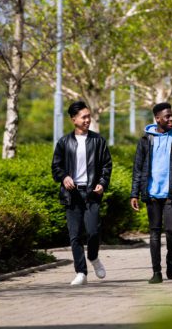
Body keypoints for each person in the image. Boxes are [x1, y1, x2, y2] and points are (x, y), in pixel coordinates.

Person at [131, 102, 172, 284]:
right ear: (157, 119)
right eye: (167, 116)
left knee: (171, 230)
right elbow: (138, 168)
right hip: (151, 193)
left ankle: (170, 259)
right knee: (154, 232)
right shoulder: (145, 140)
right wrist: (134, 193)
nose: (171, 119)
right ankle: (156, 271)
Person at [52, 101, 113, 286]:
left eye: (88, 116)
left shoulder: (98, 141)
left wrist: (102, 183)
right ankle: (81, 272)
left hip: (91, 194)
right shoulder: (64, 142)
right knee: (75, 235)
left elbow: (106, 165)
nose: (88, 120)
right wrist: (64, 177)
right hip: (72, 194)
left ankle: (93, 257)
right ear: (73, 119)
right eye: (83, 117)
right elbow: (56, 167)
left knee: (93, 232)